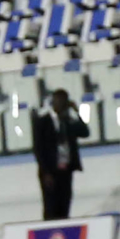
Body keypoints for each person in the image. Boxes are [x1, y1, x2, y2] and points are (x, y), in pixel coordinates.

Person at [31, 90, 87, 221]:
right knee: (51, 206)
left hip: (65, 169)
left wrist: (77, 112)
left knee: (64, 204)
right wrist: (46, 172)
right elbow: (38, 149)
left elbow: (85, 132)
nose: (61, 105)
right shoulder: (42, 122)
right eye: (59, 102)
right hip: (50, 171)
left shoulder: (69, 122)